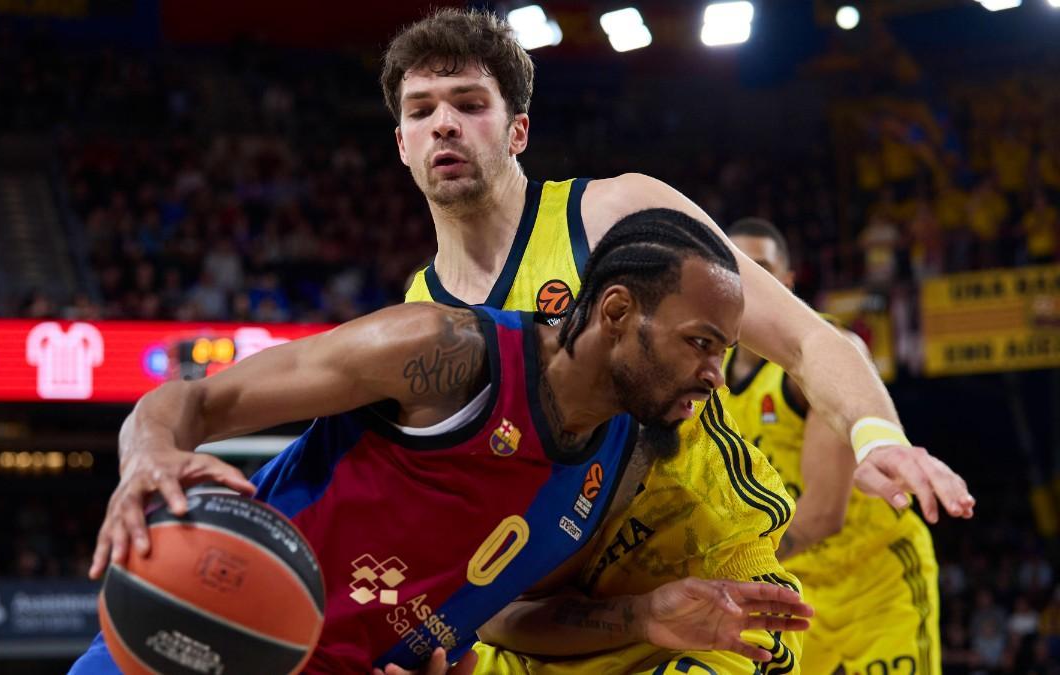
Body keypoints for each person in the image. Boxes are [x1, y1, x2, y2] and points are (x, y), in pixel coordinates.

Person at [96, 8, 972, 673]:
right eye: (423, 109)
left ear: (516, 130)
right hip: (551, 604)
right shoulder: (420, 324)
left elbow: (818, 341)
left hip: (705, 565)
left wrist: (876, 436)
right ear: (398, 143)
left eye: (469, 104)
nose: (445, 123)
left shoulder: (616, 213)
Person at [71, 210, 813, 674]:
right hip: (194, 628)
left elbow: (500, 616)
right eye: (700, 343)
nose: (717, 374)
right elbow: (198, 400)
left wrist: (644, 617)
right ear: (618, 310)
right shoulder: (444, 350)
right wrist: (148, 453)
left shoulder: (622, 464)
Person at [722, 218, 940, 675]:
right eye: (734, 266)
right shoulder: (705, 366)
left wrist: (720, 570)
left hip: (875, 577)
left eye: (761, 268)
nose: (747, 281)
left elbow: (822, 516)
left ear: (785, 281)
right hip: (797, 585)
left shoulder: (819, 357)